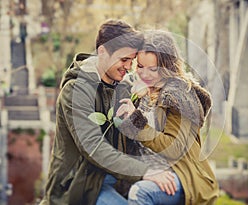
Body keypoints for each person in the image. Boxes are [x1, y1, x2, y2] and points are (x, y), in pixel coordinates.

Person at [40, 20, 176, 205]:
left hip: (114, 177)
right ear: (102, 51)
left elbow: (135, 142)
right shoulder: (76, 90)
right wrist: (145, 172)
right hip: (80, 184)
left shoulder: (124, 88)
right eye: (123, 60)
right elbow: (93, 147)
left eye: (132, 60)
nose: (128, 67)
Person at [116, 30, 219, 205]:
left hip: (179, 175)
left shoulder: (178, 96)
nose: (144, 74)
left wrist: (136, 121)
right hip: (148, 171)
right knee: (96, 184)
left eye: (153, 69)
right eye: (140, 66)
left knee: (140, 193)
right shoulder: (141, 92)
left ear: (167, 67)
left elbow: (174, 148)